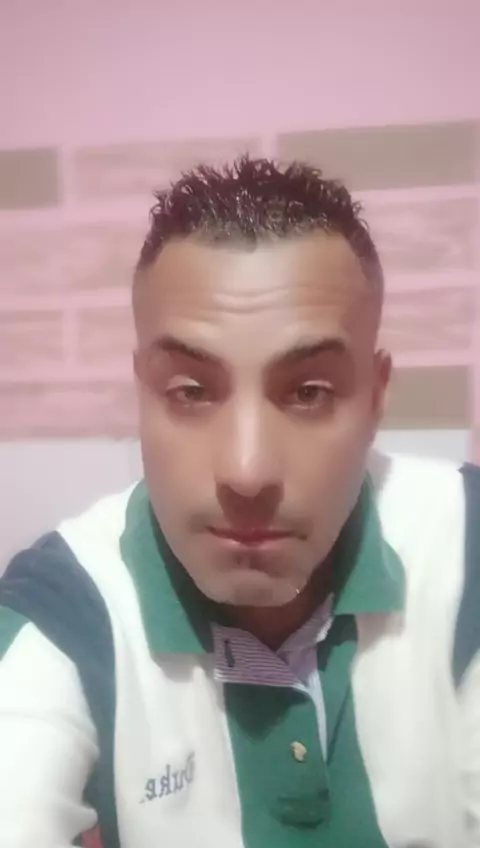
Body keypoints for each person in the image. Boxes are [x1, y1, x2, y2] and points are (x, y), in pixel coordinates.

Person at [0, 156, 478, 848]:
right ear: (142, 392)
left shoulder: (466, 547)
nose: (247, 472)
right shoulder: (65, 612)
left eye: (308, 392)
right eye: (190, 392)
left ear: (376, 397)